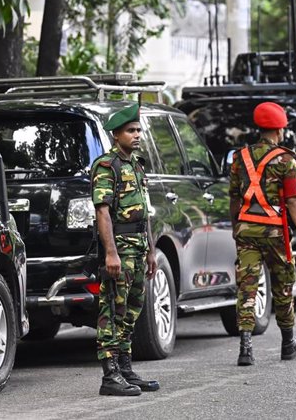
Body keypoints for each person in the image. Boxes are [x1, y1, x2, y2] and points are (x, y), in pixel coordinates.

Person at [228, 101, 296, 366]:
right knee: (283, 285)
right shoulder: (286, 159)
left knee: (247, 287)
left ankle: (245, 348)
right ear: (280, 129)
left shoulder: (239, 157)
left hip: (245, 231)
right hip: (275, 233)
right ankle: (288, 343)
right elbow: (293, 201)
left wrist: (236, 227)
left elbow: (233, 198)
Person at [91, 102, 160, 396]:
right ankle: (110, 375)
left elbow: (144, 212)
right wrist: (110, 253)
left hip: (138, 248)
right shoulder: (107, 166)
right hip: (119, 248)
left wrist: (150, 250)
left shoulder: (136, 164)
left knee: (132, 311)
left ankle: (126, 369)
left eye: (138, 130)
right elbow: (102, 212)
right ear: (116, 134)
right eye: (131, 131)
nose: (137, 135)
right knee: (112, 311)